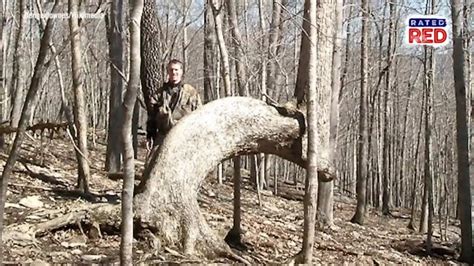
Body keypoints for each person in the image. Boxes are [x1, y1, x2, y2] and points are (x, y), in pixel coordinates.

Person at [146, 59, 202, 150]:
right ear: (168, 72)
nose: (174, 72)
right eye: (171, 70)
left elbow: (199, 115)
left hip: (184, 138)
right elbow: (151, 117)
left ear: (181, 71)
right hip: (163, 137)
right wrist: (150, 135)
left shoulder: (190, 92)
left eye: (176, 70)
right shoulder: (159, 94)